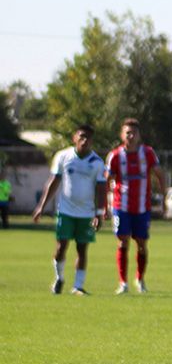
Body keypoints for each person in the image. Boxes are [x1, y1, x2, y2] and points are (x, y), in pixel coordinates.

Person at [32, 125, 106, 295]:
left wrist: (99, 213)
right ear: (74, 138)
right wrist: (41, 207)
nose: (85, 140)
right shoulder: (63, 156)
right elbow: (53, 182)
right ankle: (59, 278)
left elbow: (101, 189)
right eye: (81, 137)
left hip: (86, 212)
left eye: (88, 138)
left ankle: (78, 286)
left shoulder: (97, 162)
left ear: (92, 141)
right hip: (65, 211)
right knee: (61, 247)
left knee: (82, 248)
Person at [106, 118, 165, 294]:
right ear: (122, 135)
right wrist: (105, 203)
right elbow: (106, 180)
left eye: (134, 133)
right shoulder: (115, 156)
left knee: (141, 244)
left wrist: (164, 197)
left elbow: (160, 175)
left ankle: (140, 279)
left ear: (139, 135)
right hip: (121, 206)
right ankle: (122, 282)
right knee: (122, 242)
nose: (131, 136)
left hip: (142, 207)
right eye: (127, 133)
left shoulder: (148, 153)